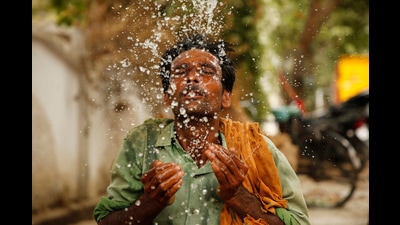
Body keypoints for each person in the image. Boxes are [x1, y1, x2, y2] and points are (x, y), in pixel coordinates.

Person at [93, 33, 310, 225]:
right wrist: (150, 202)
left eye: (206, 71)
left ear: (226, 97)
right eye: (180, 71)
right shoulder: (141, 142)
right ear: (168, 97)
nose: (192, 77)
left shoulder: (257, 148)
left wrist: (238, 195)